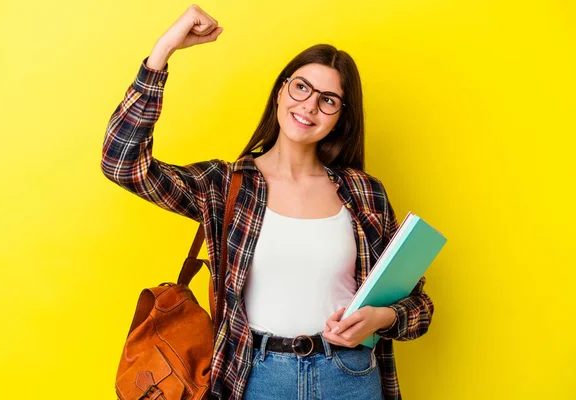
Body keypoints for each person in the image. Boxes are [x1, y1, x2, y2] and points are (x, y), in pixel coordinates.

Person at [101, 4, 434, 400]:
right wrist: (163, 51)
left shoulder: (364, 193)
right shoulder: (225, 186)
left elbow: (419, 306)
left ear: (340, 118)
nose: (309, 106)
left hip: (350, 376)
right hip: (255, 378)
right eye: (302, 88)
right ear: (282, 90)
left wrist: (381, 317)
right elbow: (123, 164)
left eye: (329, 100)